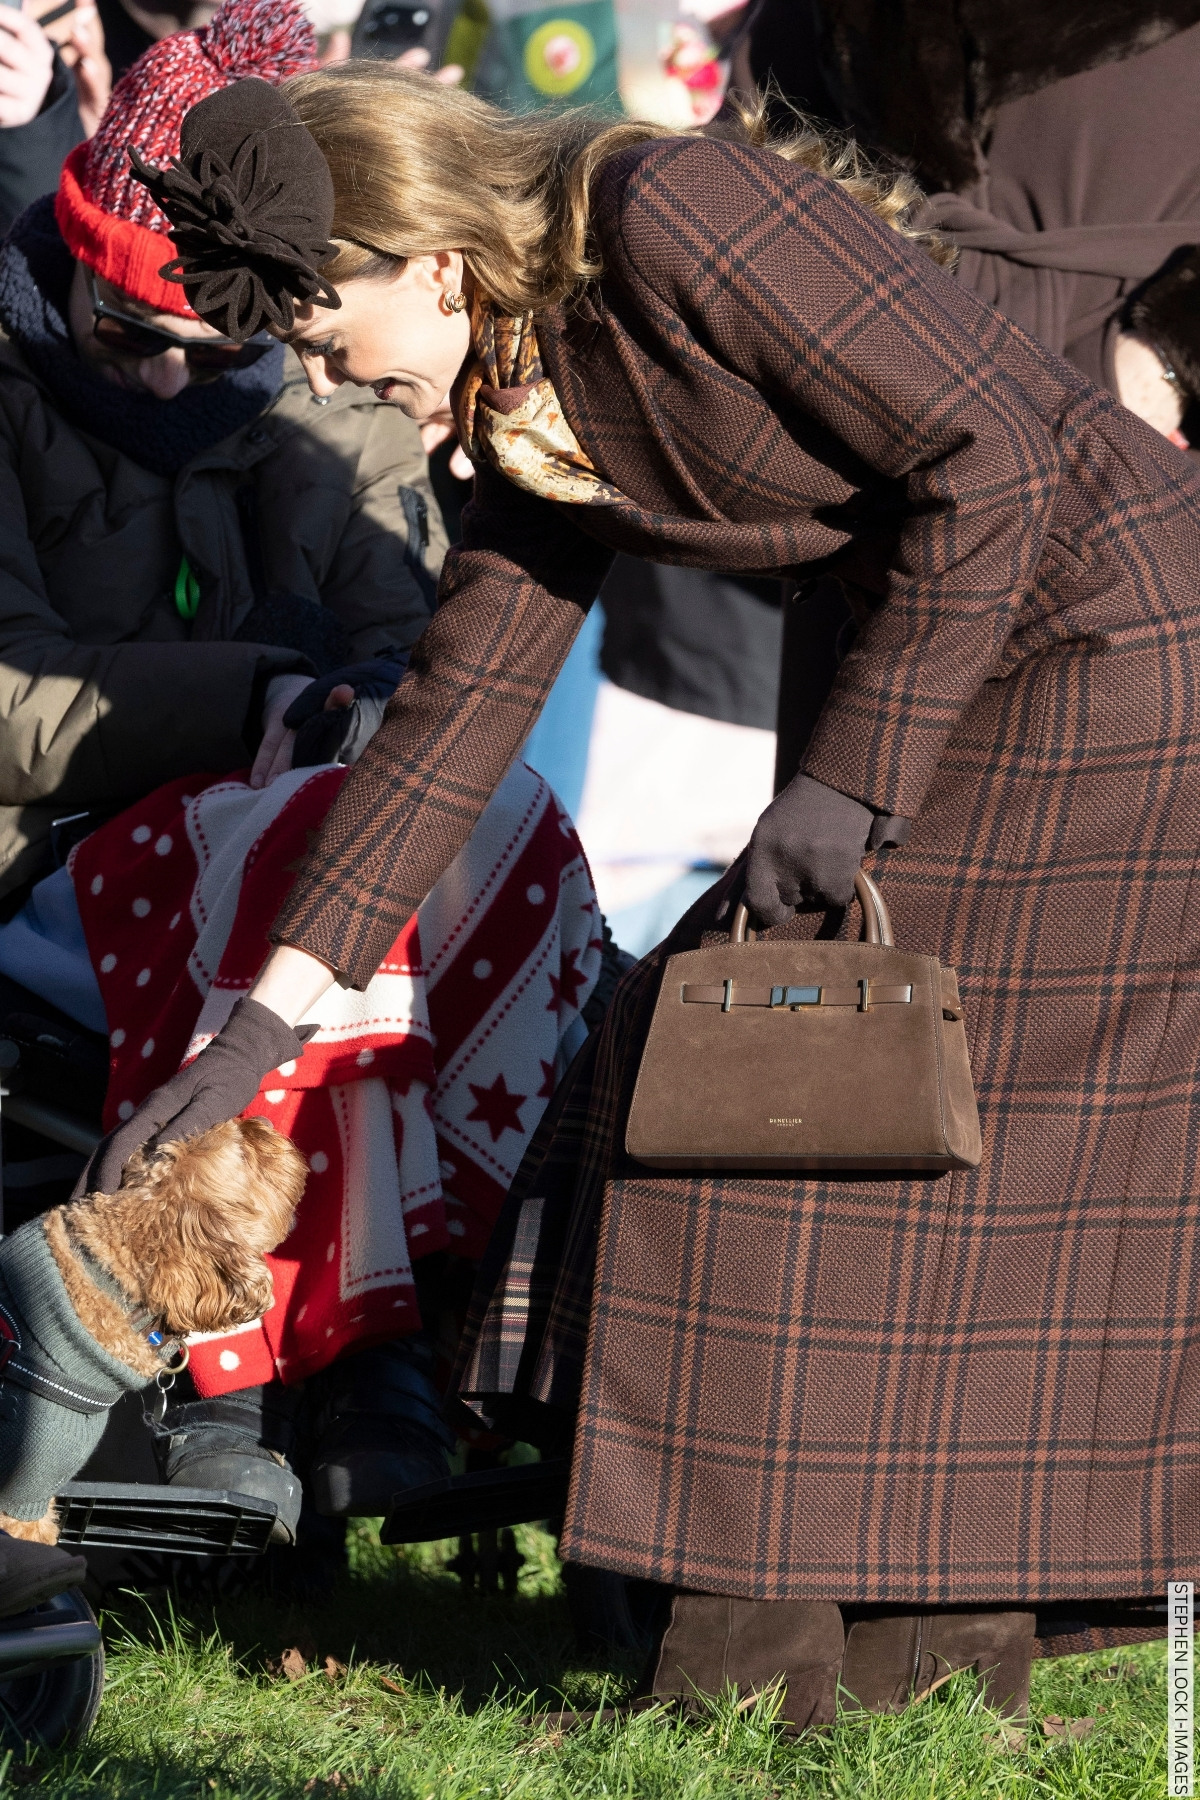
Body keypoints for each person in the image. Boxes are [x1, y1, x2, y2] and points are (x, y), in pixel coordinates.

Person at [105, 60, 1200, 1718]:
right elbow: (442, 736)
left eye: (333, 338)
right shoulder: (524, 409)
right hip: (952, 679)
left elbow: (1005, 466)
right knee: (858, 1161)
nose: (332, 375)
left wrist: (847, 783)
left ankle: (752, 1672)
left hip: (1105, 656)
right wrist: (250, 1038)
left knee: (768, 1130)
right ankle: (908, 1674)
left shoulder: (675, 210)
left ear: (429, 260)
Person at [0, 1, 454, 1531]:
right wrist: (255, 692)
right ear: (65, 262)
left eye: (216, 352)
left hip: (288, 875)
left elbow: (427, 666)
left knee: (383, 835)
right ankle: (238, 1367)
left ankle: (379, 1341)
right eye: (127, 337)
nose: (163, 384)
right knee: (293, 854)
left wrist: (361, 705)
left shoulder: (341, 429)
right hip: (45, 856)